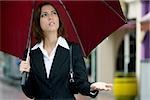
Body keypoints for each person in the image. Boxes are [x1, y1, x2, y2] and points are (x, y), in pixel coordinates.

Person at [20, 2, 112, 100]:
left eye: (54, 13)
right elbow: (31, 92)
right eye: (44, 14)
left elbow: (80, 84)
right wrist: (26, 74)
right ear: (38, 22)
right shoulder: (31, 54)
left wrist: (92, 86)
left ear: (58, 18)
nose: (50, 17)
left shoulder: (73, 49)